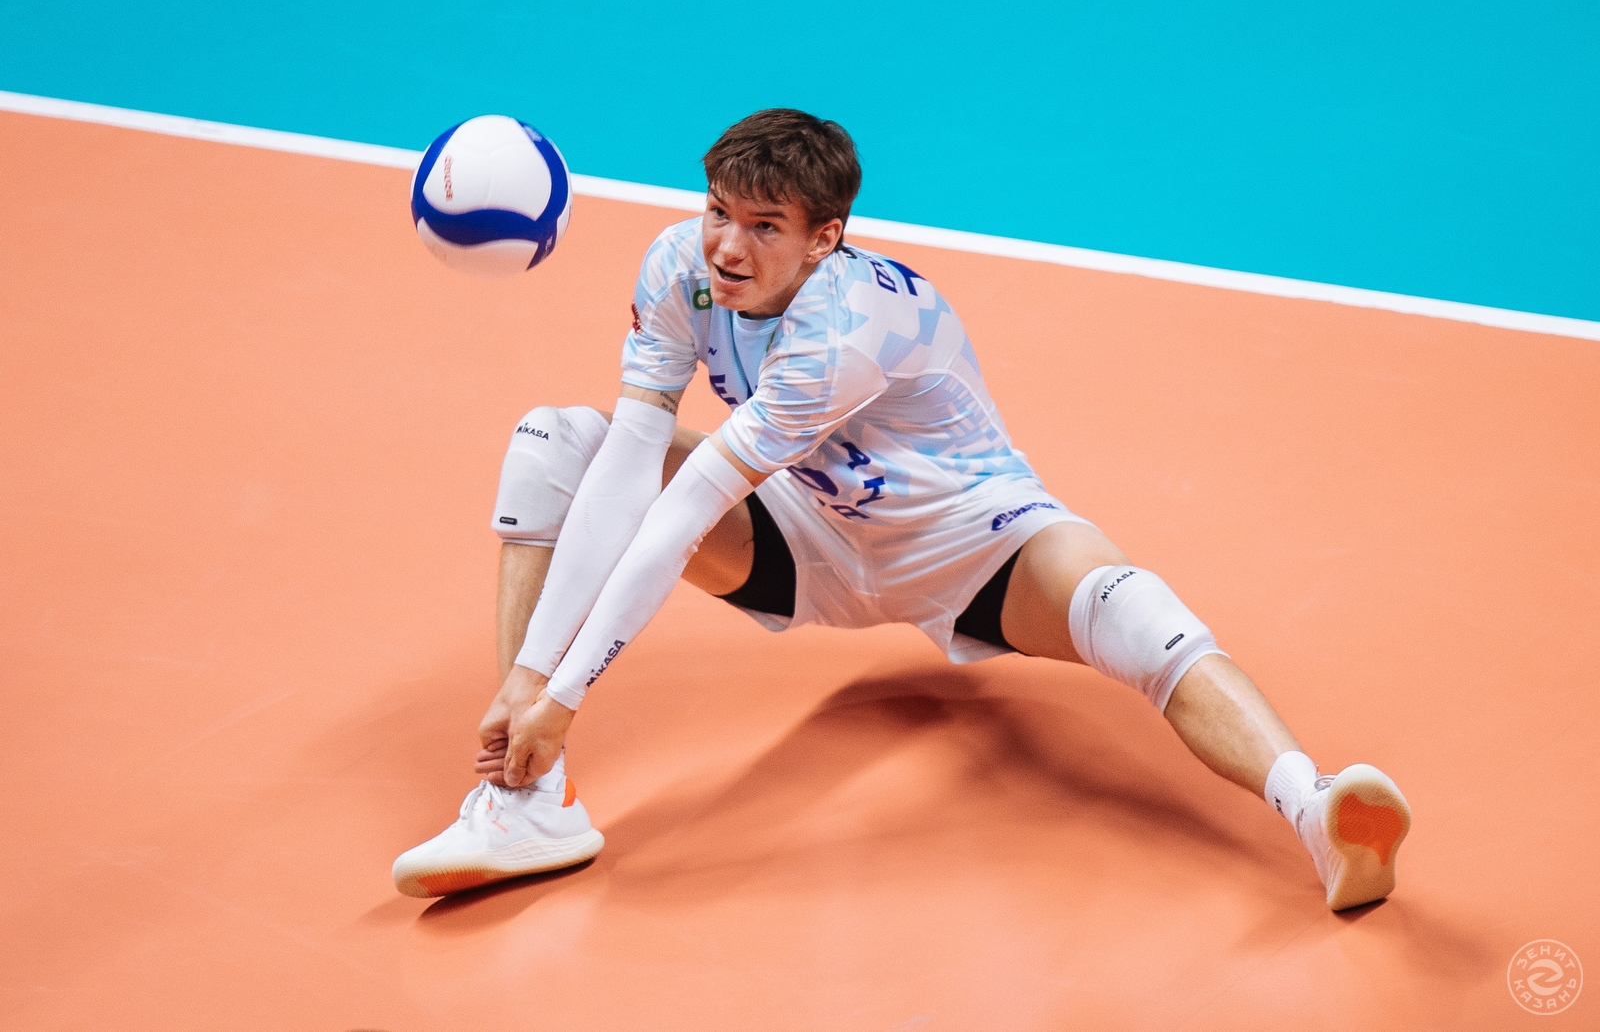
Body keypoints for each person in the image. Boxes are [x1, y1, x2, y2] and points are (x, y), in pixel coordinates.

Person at [392, 109, 1411, 910]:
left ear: (825, 238)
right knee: (555, 442)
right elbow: (627, 466)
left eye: (764, 227)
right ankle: (526, 800)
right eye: (717, 211)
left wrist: (568, 688)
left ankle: (1314, 810)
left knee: (1132, 609)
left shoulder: (848, 327)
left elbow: (681, 514)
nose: (727, 247)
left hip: (974, 543)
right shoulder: (678, 268)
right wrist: (532, 680)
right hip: (805, 530)